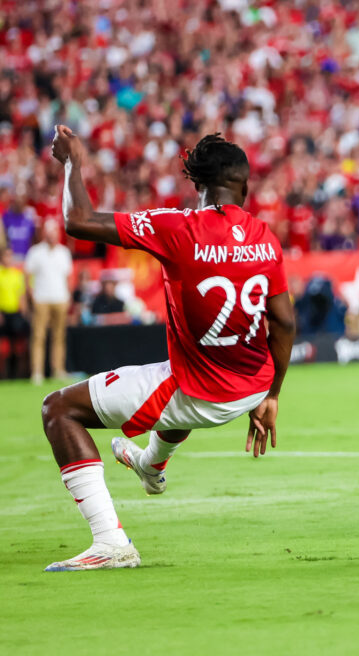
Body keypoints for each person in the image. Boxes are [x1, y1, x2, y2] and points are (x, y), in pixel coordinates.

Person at [42, 126, 296, 571]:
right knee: (171, 379)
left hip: (200, 391)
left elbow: (77, 221)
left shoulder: (175, 226)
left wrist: (72, 162)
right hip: (251, 388)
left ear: (196, 184)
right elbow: (285, 322)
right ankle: (150, 466)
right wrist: (271, 394)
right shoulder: (265, 237)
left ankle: (110, 542)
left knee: (58, 409)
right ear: (246, 186)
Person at [24, 220, 72, 384]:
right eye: (49, 233)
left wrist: (68, 296)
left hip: (60, 298)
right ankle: (37, 372)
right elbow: (27, 276)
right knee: (38, 336)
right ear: (45, 234)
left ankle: (58, 370)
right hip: (42, 299)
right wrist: (31, 296)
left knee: (59, 337)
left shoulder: (64, 252)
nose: (52, 236)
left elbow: (67, 277)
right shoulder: (35, 252)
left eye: (54, 232)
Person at [0, 246, 30, 378]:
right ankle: (4, 374)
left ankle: (17, 373)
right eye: (6, 256)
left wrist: (24, 313)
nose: (8, 259)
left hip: (15, 313)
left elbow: (21, 294)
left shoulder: (17, 274)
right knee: (4, 345)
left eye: (10, 256)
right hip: (2, 313)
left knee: (17, 344)